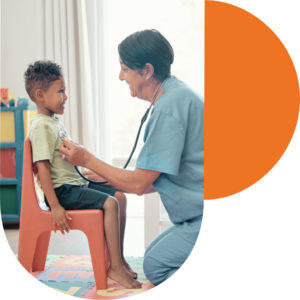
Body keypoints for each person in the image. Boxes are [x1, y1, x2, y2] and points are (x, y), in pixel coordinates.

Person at [60, 29, 204, 285]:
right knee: (153, 253)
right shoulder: (176, 95)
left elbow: (138, 185)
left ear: (147, 71)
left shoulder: (168, 110)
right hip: (197, 213)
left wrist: (86, 159)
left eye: (125, 69)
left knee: (155, 266)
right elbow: (153, 180)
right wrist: (107, 179)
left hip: (202, 217)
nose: (120, 76)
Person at [24, 60, 142, 289]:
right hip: (63, 191)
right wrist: (56, 206)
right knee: (109, 203)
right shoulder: (40, 126)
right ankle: (115, 268)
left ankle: (118, 260)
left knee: (120, 197)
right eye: (60, 91)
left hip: (75, 185)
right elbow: (43, 168)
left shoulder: (53, 123)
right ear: (40, 95)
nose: (65, 96)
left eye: (64, 90)